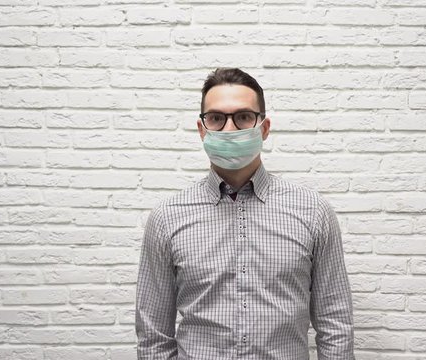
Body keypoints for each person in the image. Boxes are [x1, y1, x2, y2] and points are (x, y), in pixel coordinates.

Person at [135, 68, 355, 359]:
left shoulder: (313, 212)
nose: (229, 129)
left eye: (242, 117)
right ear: (202, 130)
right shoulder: (167, 218)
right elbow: (154, 337)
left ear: (263, 128)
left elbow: (335, 324)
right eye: (216, 118)